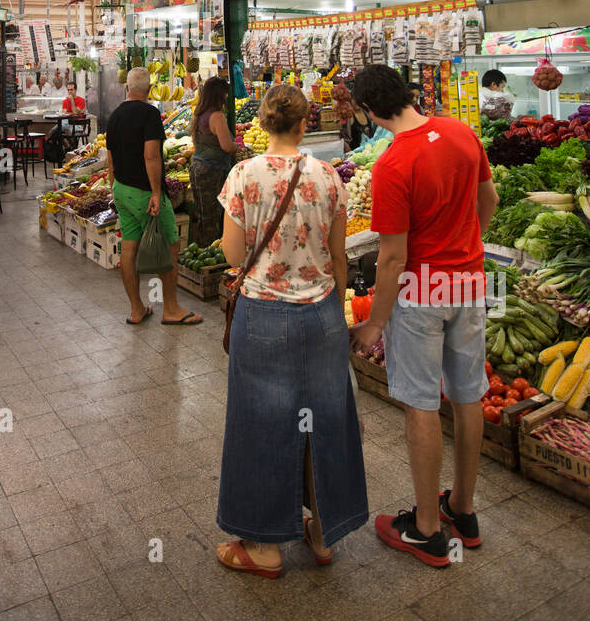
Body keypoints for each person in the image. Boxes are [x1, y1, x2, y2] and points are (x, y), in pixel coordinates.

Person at [215, 84, 367, 578]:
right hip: (322, 314)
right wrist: (337, 307)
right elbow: (340, 256)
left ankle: (264, 548)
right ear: (304, 125)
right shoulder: (328, 177)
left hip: (262, 316)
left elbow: (234, 256)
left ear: (262, 122)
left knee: (262, 425)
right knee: (325, 421)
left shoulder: (243, 175)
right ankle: (323, 535)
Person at [350, 65, 499, 567]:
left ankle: (428, 530)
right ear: (409, 94)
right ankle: (463, 508)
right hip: (471, 283)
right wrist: (463, 245)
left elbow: (392, 258)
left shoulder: (394, 164)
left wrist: (373, 325)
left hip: (421, 294)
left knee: (420, 403)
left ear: (367, 110)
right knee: (468, 393)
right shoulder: (461, 131)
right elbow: (490, 201)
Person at [105, 67, 202, 328]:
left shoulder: (114, 116)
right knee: (169, 244)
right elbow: (151, 155)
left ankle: (137, 309)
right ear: (148, 90)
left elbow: (110, 158)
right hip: (144, 192)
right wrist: (157, 193)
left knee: (129, 248)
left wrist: (114, 188)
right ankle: (170, 309)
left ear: (127, 88)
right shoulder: (149, 114)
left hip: (122, 190)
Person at [189, 76, 236, 245]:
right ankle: (211, 252)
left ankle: (202, 251)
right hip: (212, 171)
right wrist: (237, 146)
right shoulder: (217, 117)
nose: (226, 97)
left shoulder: (199, 114)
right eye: (225, 93)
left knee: (204, 214)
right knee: (213, 217)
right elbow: (227, 146)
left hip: (198, 168)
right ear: (219, 95)